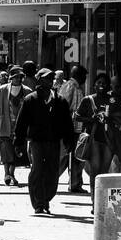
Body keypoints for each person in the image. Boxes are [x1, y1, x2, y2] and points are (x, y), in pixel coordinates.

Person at [14, 68, 75, 215]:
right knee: (38, 170)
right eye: (44, 79)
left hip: (54, 142)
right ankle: (38, 203)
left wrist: (69, 142)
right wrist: (18, 143)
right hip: (36, 142)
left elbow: (67, 124)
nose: (47, 82)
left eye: (50, 79)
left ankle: (46, 199)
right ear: (38, 81)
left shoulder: (60, 101)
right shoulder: (30, 100)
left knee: (52, 172)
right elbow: (21, 123)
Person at [0, 67, 29, 185]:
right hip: (5, 125)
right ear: (11, 78)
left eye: (20, 77)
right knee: (5, 151)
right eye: (16, 77)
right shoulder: (3, 90)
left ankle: (11, 173)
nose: (18, 79)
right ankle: (6, 174)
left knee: (16, 152)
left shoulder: (27, 91)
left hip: (20, 127)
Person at [60, 64, 88, 192]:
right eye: (84, 76)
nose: (85, 79)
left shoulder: (78, 88)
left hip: (77, 129)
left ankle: (76, 183)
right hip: (70, 129)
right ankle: (49, 180)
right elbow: (63, 107)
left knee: (77, 157)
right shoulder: (70, 86)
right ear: (79, 75)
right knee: (65, 157)